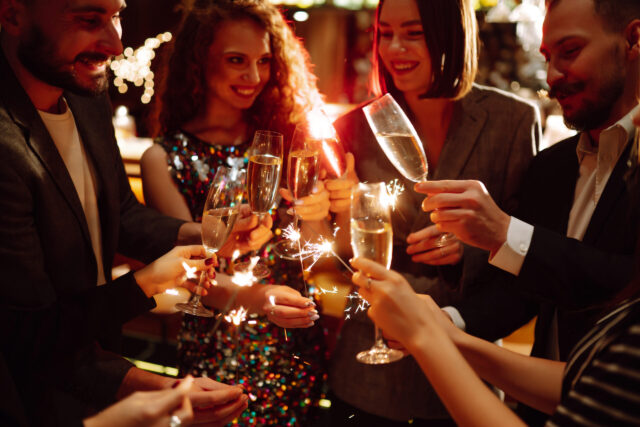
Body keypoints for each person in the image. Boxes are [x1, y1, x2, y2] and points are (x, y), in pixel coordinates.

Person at [0, 0, 250, 424]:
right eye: (89, 18)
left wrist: (201, 233)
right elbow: (30, 333)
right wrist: (148, 281)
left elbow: (122, 214)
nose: (116, 44)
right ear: (13, 15)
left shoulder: (84, 93)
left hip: (93, 370)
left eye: (117, 15)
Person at [415, 0, 640, 423]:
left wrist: (504, 233)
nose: (553, 76)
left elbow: (624, 284)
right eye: (548, 58)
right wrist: (445, 319)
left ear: (633, 39)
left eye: (570, 51)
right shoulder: (551, 166)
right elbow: (524, 292)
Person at [324, 0, 540, 423]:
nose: (394, 48)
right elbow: (337, 254)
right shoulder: (354, 127)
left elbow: (527, 247)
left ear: (451, 36)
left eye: (414, 33)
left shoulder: (511, 120)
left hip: (466, 359)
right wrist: (339, 213)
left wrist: (469, 248)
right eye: (385, 33)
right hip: (370, 362)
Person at [141, 0, 330, 424]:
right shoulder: (164, 158)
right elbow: (191, 273)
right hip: (215, 347)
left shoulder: (286, 145)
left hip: (292, 341)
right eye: (236, 61)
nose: (254, 77)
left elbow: (313, 250)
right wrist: (260, 298)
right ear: (198, 62)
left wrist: (319, 209)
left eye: (264, 61)